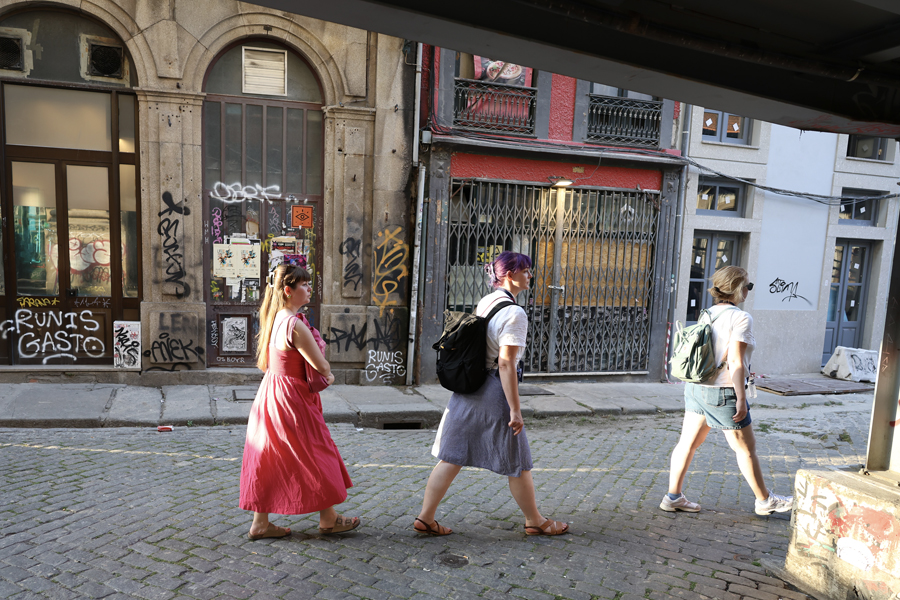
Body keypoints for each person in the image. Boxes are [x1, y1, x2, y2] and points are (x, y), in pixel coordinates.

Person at [414, 251, 570, 536]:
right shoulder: (516, 313)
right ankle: (535, 521)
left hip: (469, 386)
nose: (530, 275)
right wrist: (515, 409)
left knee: (451, 456)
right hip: (494, 391)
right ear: (509, 275)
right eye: (525, 270)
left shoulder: (487, 301)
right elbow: (506, 363)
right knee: (518, 463)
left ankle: (425, 517)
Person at [239, 264, 360, 539]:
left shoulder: (275, 318)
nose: (309, 289)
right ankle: (329, 519)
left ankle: (261, 523)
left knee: (269, 456)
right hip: (292, 399)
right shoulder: (295, 325)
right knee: (316, 452)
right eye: (304, 285)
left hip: (271, 394)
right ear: (288, 290)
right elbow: (321, 366)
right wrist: (329, 376)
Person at [661, 266, 793, 516]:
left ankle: (673, 496)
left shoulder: (707, 314)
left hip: (696, 388)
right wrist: (741, 398)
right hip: (723, 392)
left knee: (687, 444)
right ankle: (765, 501)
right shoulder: (741, 318)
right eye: (748, 286)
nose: (749, 291)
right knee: (746, 449)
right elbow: (736, 361)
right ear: (737, 288)